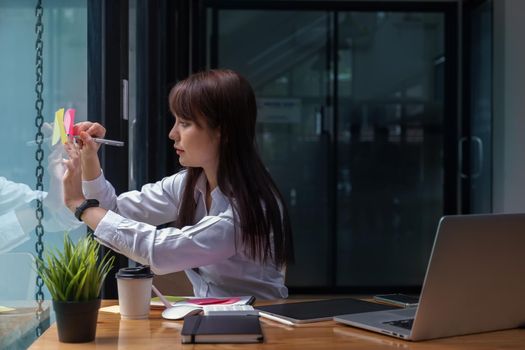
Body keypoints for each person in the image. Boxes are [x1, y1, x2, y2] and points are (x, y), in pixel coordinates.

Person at [62, 69, 294, 299]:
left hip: (259, 322)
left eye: (184, 123)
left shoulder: (249, 205)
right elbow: (114, 211)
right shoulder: (190, 183)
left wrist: (80, 205)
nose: (173, 133)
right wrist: (89, 158)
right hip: (212, 316)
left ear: (222, 132)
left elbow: (160, 251)